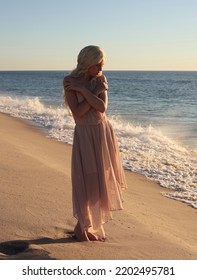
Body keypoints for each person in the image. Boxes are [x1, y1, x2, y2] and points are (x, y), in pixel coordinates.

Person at [63, 45, 127, 241]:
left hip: (102, 132)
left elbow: (102, 108)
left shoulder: (100, 79)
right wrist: (89, 91)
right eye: (98, 64)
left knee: (101, 181)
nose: (101, 67)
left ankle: (81, 227)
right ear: (87, 63)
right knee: (87, 180)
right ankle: (81, 226)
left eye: (103, 63)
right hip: (84, 135)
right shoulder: (70, 81)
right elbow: (78, 114)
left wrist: (85, 91)